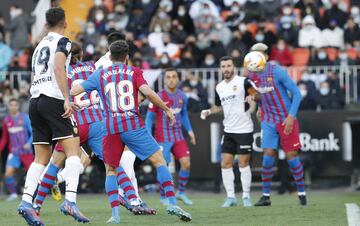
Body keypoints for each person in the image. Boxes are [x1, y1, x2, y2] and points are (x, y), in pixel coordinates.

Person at [70, 40, 192, 222]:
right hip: (132, 124)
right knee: (160, 161)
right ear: (127, 57)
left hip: (110, 127)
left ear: (109, 57)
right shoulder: (134, 72)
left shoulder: (100, 74)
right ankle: (172, 203)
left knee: (111, 169)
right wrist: (166, 109)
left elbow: (74, 91)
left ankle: (115, 216)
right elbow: (148, 93)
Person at [31, 42, 148, 221]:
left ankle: (36, 205)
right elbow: (108, 65)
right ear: (83, 54)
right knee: (113, 164)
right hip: (97, 122)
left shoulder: (63, 73)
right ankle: (133, 199)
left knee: (54, 164)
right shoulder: (93, 67)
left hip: (75, 123)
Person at [17, 7, 89, 225]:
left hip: (35, 100)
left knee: (41, 158)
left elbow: (34, 74)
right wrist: (66, 98)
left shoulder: (39, 46)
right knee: (74, 152)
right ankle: (70, 201)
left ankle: (26, 202)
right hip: (53, 99)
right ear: (65, 23)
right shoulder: (64, 42)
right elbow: (58, 66)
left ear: (46, 24)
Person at [95, 31, 155, 214]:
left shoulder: (98, 64)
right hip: (119, 116)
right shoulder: (120, 66)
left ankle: (133, 198)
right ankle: (131, 198)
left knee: (115, 163)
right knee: (125, 159)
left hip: (101, 117)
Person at [247, 43, 307, 207]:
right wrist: (259, 107)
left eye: (258, 54)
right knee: (267, 154)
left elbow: (296, 93)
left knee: (291, 156)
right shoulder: (252, 75)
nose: (255, 56)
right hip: (268, 119)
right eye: (253, 53)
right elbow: (259, 94)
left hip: (285, 119)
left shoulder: (278, 71)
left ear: (266, 57)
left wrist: (290, 116)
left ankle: (302, 193)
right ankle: (266, 196)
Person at [200, 56, 257, 208]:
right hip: (229, 131)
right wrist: (208, 111)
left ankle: (246, 197)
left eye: (229, 66)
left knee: (243, 164)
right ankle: (231, 197)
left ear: (234, 67)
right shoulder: (219, 87)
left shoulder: (243, 82)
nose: (226, 69)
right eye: (223, 66)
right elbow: (218, 106)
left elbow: (256, 95)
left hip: (244, 129)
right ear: (221, 69)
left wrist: (252, 98)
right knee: (225, 164)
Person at [145, 68, 196, 206]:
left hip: (178, 136)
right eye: (168, 77)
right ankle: (164, 197)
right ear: (165, 79)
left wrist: (190, 131)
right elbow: (149, 118)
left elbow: (184, 115)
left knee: (186, 163)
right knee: (164, 167)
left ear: (178, 79)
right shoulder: (157, 96)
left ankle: (181, 192)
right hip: (162, 138)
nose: (171, 79)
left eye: (174, 76)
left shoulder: (182, 96)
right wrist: (149, 136)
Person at [0, 99, 33, 202]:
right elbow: (5, 138)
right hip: (14, 152)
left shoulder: (25, 118)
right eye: (11, 105)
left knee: (32, 174)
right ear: (9, 107)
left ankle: (32, 195)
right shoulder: (7, 120)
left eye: (15, 105)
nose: (13, 107)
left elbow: (33, 132)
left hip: (26, 152)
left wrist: (29, 143)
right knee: (8, 174)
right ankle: (14, 194)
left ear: (18, 106)